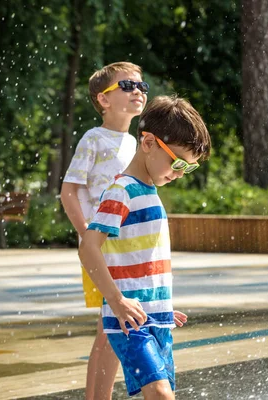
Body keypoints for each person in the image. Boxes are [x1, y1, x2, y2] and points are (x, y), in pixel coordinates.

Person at [78, 95, 211, 399]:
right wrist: (116, 300)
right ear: (148, 143)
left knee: (162, 395)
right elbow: (88, 247)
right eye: (177, 163)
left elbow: (141, 259)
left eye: (187, 169)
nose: (179, 174)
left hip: (152, 316)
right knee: (161, 395)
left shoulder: (147, 192)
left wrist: (159, 306)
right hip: (128, 323)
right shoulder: (122, 190)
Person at [60, 61, 148, 399]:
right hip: (101, 245)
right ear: (104, 100)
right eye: (127, 86)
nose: (138, 91)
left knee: (110, 330)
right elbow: (69, 190)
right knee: (112, 328)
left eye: (142, 86)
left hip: (125, 246)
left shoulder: (136, 144)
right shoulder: (94, 139)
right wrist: (87, 236)